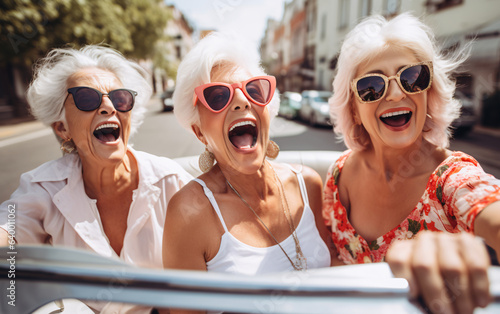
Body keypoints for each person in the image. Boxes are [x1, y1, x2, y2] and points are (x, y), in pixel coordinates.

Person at [324, 13, 500, 313]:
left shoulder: (453, 178)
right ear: (354, 109)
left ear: (428, 93)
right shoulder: (338, 176)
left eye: (411, 78)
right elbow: (333, 262)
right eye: (371, 86)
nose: (395, 93)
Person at [0, 45, 193, 312]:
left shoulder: (171, 181)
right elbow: (8, 232)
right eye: (86, 98)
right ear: (62, 127)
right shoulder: (42, 187)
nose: (107, 106)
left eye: (119, 98)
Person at [162, 32, 331, 298]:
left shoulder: (307, 184)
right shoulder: (188, 214)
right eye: (218, 97)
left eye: (253, 90)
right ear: (199, 133)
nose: (242, 101)